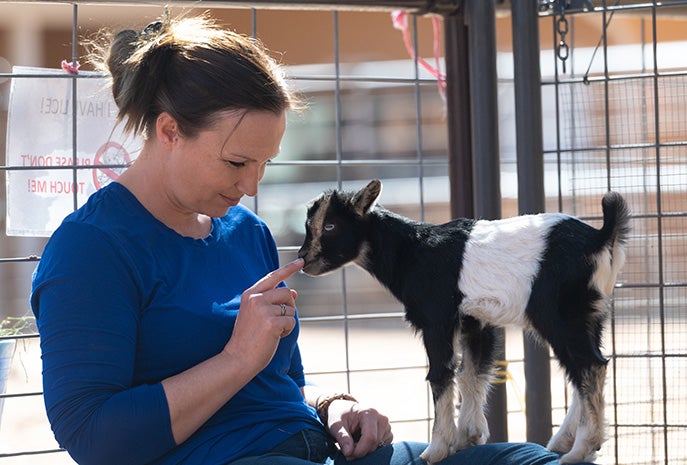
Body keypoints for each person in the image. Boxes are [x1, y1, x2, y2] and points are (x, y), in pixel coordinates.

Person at [30, 13, 597, 465]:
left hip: (315, 448)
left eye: (265, 163)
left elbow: (281, 382)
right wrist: (235, 359)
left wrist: (334, 406)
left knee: (523, 458)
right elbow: (93, 439)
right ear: (169, 131)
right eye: (236, 161)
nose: (251, 187)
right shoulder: (91, 251)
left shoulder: (245, 233)